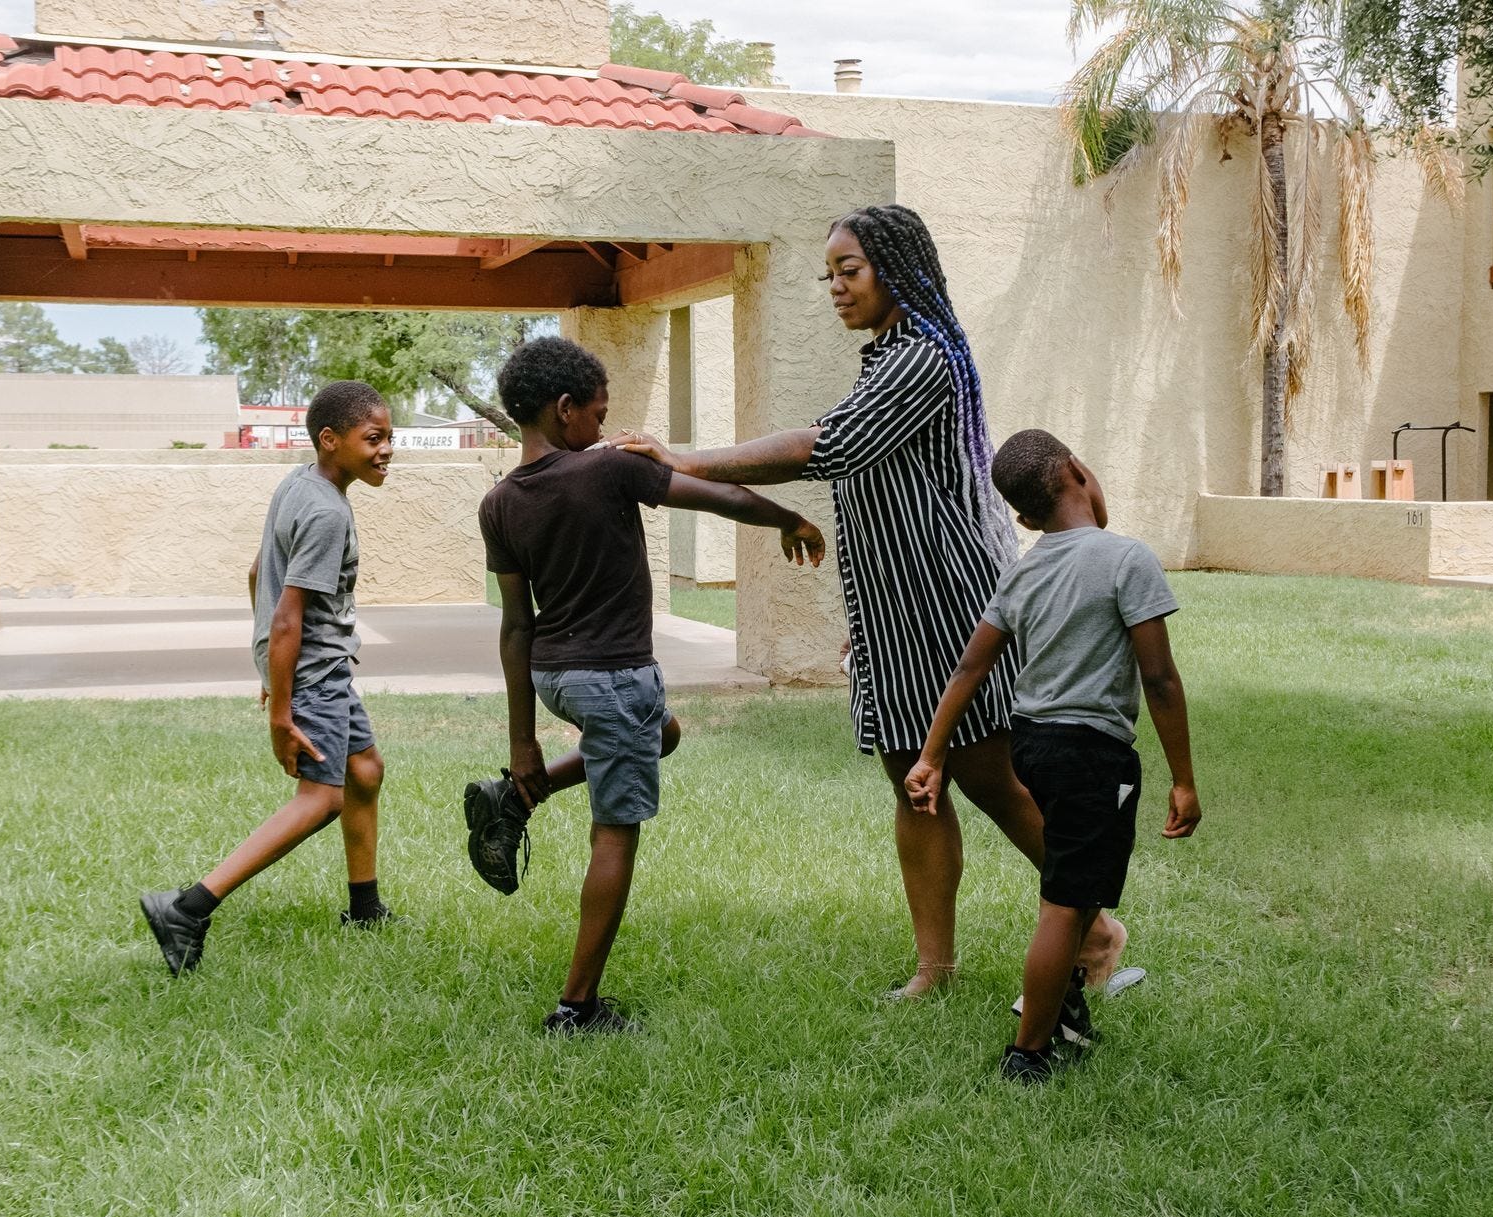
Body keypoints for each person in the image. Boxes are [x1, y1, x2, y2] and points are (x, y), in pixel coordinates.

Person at [618, 204, 1127, 998]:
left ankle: (1094, 930)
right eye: (829, 275)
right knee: (910, 785)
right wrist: (870, 622)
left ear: (897, 269)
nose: (835, 287)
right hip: (893, 612)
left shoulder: (923, 359)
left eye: (848, 270)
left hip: (954, 603)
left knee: (992, 778)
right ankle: (935, 968)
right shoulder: (885, 358)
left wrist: (687, 459)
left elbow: (831, 446)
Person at [464, 336, 825, 1035]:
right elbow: (718, 497)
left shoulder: (499, 502)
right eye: (599, 413)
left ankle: (515, 794)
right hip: (613, 674)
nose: (606, 427)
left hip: (556, 677)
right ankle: (576, 1007)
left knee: (663, 732)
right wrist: (789, 517)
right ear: (566, 411)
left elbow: (515, 625)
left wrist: (524, 742)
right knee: (615, 834)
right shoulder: (607, 471)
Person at [905, 430, 1200, 1082]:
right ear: (1077, 471)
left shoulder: (1025, 570)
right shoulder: (1127, 559)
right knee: (1065, 903)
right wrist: (1183, 779)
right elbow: (1160, 679)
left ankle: (1063, 1006)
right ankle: (1028, 1052)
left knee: (1081, 884)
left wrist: (931, 755)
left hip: (1031, 744)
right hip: (1090, 752)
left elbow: (968, 671)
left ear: (1024, 517)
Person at [139, 381, 396, 976]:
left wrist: (269, 665)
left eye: (390, 439)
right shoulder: (327, 510)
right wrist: (283, 707)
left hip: (310, 664)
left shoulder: (300, 484)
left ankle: (365, 908)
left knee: (365, 770)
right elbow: (288, 613)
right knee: (320, 799)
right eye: (374, 438)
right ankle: (188, 907)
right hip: (314, 668)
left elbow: (259, 574)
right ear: (331, 440)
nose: (387, 450)